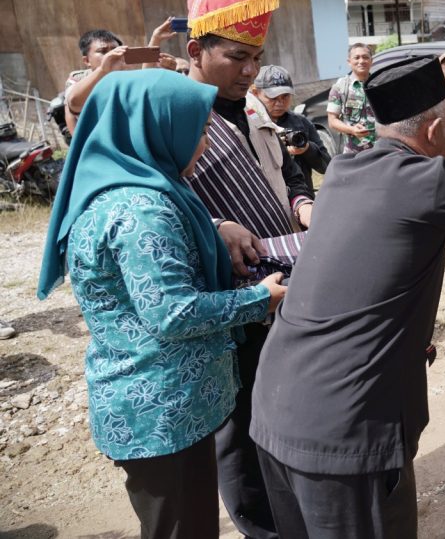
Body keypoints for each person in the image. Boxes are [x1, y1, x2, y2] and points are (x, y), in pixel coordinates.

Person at [249, 55, 445, 539]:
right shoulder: (428, 183)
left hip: (278, 410)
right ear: (436, 128)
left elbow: (427, 178)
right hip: (346, 432)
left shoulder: (345, 169)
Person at [37, 70, 287, 539]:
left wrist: (216, 230)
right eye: (198, 131)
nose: (205, 146)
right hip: (160, 411)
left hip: (164, 404)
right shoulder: (142, 211)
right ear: (156, 129)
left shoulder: (127, 189)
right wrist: (261, 299)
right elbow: (172, 313)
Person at [183, 0, 314, 539]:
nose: (249, 70)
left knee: (285, 399)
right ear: (196, 51)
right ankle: (262, 527)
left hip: (282, 275)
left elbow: (288, 172)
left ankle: (298, 508)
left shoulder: (255, 107)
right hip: (228, 296)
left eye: (256, 58)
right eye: (236, 56)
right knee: (237, 423)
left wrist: (303, 204)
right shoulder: (176, 112)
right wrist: (215, 225)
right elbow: (158, 192)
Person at [65, 19, 180, 135]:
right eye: (103, 51)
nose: (111, 55)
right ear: (86, 61)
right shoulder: (78, 79)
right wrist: (103, 70)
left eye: (115, 50)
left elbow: (143, 84)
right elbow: (74, 103)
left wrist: (156, 39)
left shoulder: (124, 77)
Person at [249, 65, 331, 194]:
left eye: (285, 96)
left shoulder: (301, 122)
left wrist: (307, 149)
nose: (280, 103)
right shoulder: (249, 124)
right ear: (255, 93)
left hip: (302, 196)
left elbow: (326, 166)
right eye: (273, 98)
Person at [327, 43, 376, 155]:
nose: (361, 61)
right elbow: (332, 121)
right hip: (353, 153)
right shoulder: (340, 87)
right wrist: (352, 130)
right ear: (349, 61)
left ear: (371, 61)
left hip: (380, 151)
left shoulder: (380, 84)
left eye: (365, 57)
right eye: (356, 57)